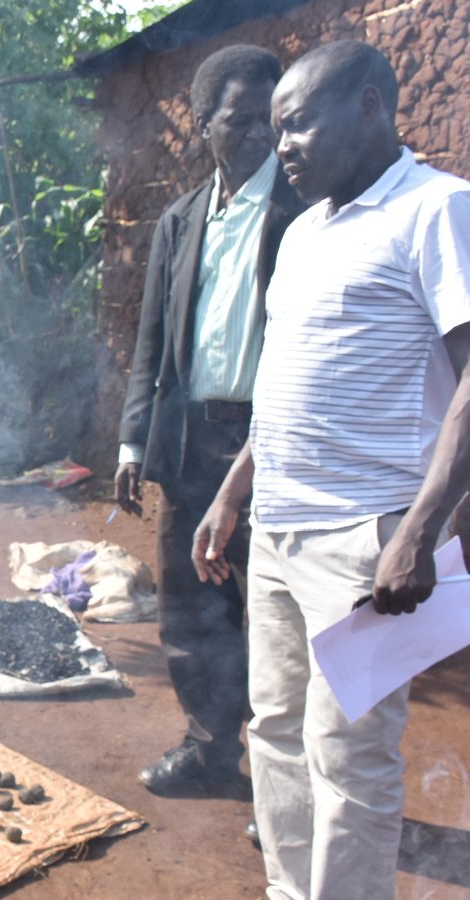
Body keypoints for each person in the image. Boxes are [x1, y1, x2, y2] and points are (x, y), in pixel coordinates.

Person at [188, 41, 470, 900]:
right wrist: (234, 491)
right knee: (275, 724)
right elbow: (289, 382)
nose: (280, 141)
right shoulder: (304, 234)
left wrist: (418, 526)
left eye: (298, 120)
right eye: (273, 123)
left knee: (352, 754)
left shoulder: (439, 209)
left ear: (373, 107)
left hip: (365, 534)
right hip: (280, 523)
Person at [117, 45, 304, 799]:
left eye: (274, 117)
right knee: (191, 606)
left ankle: (283, 783)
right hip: (192, 437)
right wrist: (134, 438)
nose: (263, 133)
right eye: (244, 117)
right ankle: (207, 748)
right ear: (204, 124)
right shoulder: (180, 220)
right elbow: (151, 341)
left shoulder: (303, 212)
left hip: (273, 441)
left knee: (271, 610)